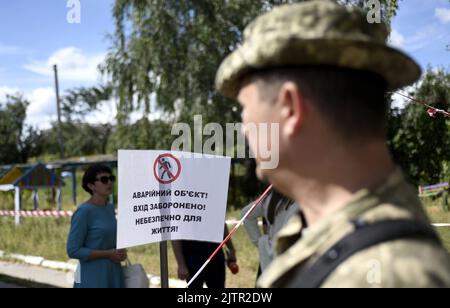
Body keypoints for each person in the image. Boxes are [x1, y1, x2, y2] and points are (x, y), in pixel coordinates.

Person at [215, 0, 450, 287]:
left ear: (290, 108)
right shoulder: (333, 235)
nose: (244, 128)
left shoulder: (385, 274)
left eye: (246, 107)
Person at [67, 164, 127, 288]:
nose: (109, 182)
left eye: (111, 178)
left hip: (114, 273)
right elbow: (73, 250)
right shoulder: (84, 212)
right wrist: (108, 254)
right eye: (104, 180)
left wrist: (120, 252)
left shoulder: (110, 208)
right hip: (92, 276)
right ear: (91, 186)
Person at [241, 189, 299, 278]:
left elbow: (246, 213)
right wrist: (259, 241)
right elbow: (246, 214)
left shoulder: (269, 198)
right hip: (291, 259)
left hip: (272, 257)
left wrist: (260, 242)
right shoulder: (302, 200)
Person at [172, 225, 237, 288]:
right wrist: (181, 264)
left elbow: (221, 224)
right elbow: (176, 233)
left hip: (215, 253)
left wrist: (231, 248)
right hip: (193, 256)